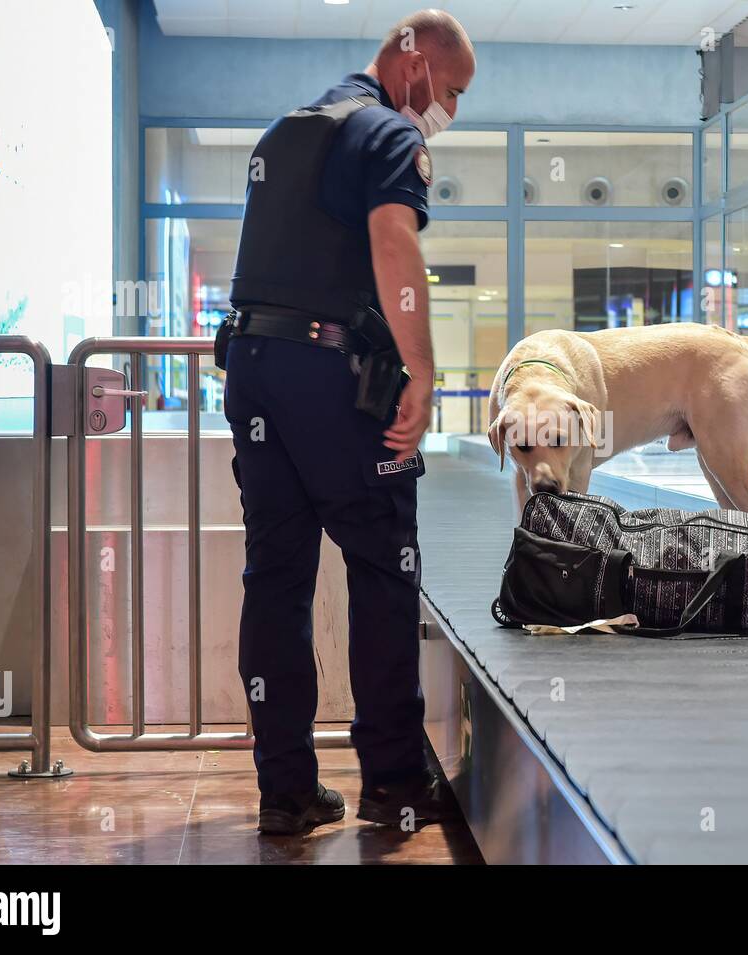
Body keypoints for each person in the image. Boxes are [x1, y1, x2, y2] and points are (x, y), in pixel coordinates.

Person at [222, 9, 475, 835]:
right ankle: (395, 783)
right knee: (381, 567)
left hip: (253, 373)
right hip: (330, 378)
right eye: (455, 91)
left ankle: (287, 792)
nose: (453, 111)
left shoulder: (285, 133)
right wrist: (424, 367)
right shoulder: (388, 134)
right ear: (416, 71)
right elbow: (394, 243)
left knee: (277, 580)